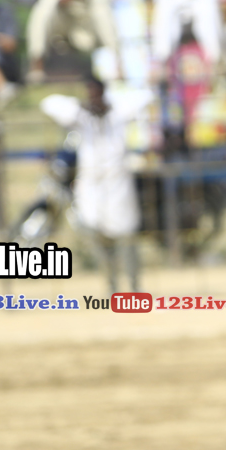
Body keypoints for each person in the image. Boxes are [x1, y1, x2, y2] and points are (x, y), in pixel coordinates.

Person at [40, 75, 153, 294]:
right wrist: (81, 108)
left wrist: (110, 105)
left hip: (118, 183)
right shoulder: (81, 116)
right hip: (90, 184)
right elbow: (48, 103)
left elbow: (145, 96)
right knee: (93, 231)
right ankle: (111, 286)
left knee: (126, 235)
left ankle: (134, 287)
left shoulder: (118, 111)